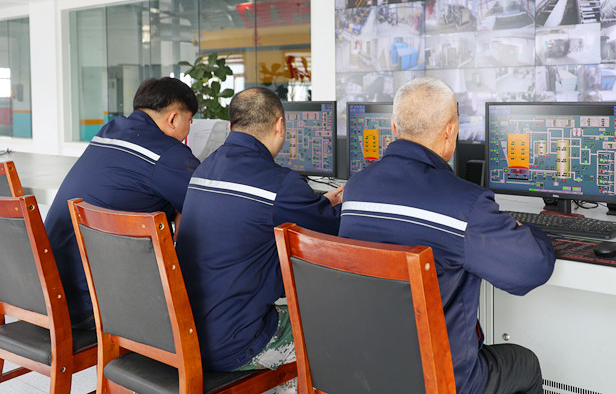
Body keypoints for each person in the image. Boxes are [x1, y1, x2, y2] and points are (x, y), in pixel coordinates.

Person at [339, 77, 556, 394]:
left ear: (394, 128)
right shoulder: (464, 204)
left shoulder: (355, 189)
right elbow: (531, 269)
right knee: (526, 364)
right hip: (442, 379)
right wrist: (529, 229)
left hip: (366, 371)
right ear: (450, 130)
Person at [175, 87, 342, 381]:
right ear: (279, 125)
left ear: (230, 127)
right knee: (339, 325)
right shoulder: (279, 183)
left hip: (186, 335)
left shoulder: (204, 169)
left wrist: (317, 205)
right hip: (235, 345)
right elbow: (334, 230)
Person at [45, 77, 201, 328]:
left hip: (52, 295)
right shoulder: (167, 153)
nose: (188, 129)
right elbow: (206, 207)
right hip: (96, 306)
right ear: (173, 118)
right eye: (189, 120)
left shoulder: (108, 132)